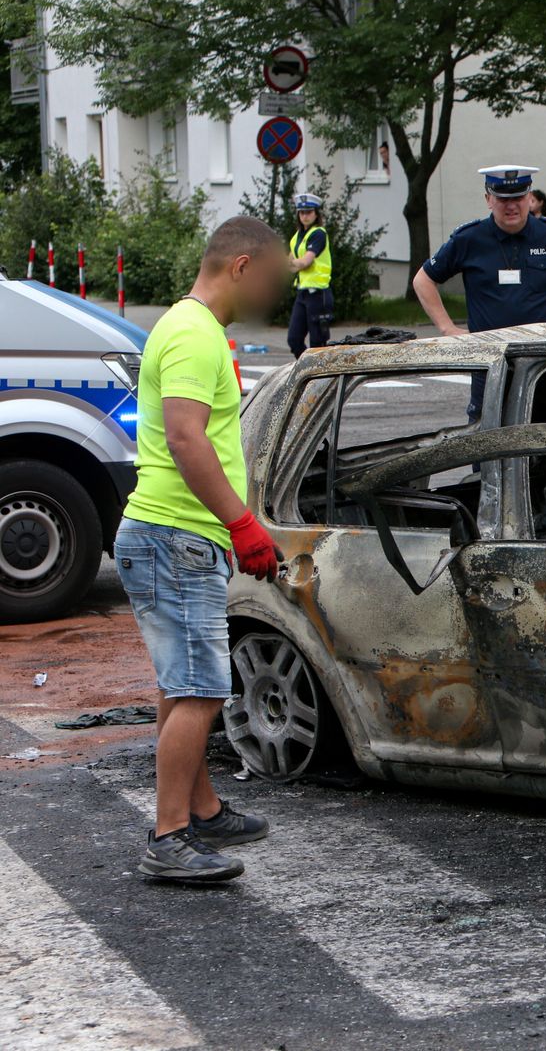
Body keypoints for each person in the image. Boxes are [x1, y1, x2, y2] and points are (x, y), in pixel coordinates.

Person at [116, 215, 288, 883]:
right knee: (201, 688)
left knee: (181, 682)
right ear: (240, 267)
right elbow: (187, 439)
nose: (267, 300)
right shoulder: (191, 335)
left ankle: (201, 807)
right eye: (267, 281)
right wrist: (242, 522)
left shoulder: (191, 328)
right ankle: (168, 838)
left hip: (174, 536)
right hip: (175, 536)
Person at [413, 165, 546, 420]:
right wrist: (447, 329)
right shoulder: (469, 240)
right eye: (502, 199)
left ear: (529, 198)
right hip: (492, 366)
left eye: (518, 197)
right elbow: (423, 280)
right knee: (488, 444)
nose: (511, 206)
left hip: (544, 366)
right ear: (488, 200)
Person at [286, 193, 334, 357]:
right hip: (303, 293)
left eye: (308, 212)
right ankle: (308, 371)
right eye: (301, 213)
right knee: (294, 339)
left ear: (316, 214)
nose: (305, 216)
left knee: (317, 344)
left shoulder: (318, 234)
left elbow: (305, 262)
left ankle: (320, 378)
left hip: (318, 294)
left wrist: (289, 264)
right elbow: (291, 263)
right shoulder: (297, 237)